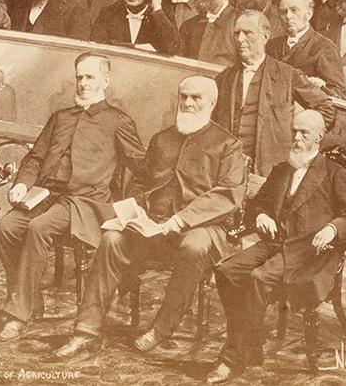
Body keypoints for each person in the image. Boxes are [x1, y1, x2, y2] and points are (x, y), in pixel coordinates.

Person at [56, 75, 247, 357]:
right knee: (111, 239)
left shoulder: (228, 145)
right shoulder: (162, 139)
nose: (188, 103)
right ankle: (86, 329)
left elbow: (229, 194)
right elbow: (140, 182)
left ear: (212, 103)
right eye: (184, 97)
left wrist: (181, 220)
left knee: (194, 246)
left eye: (196, 98)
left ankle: (161, 329)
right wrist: (133, 210)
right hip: (152, 227)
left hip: (201, 228)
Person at [0, 52, 145, 342]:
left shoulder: (117, 121)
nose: (83, 83)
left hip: (84, 201)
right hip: (45, 196)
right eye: (79, 77)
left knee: (38, 227)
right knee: (4, 229)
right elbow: (35, 158)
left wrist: (130, 204)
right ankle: (31, 299)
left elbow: (142, 167)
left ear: (106, 81)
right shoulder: (61, 117)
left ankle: (17, 315)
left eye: (90, 77)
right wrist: (22, 183)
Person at [210, 109, 346, 381]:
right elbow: (257, 203)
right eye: (294, 131)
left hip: (310, 252)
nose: (297, 137)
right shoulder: (282, 170)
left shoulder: (333, 172)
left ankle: (233, 357)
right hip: (276, 244)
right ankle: (251, 341)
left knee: (257, 278)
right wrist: (261, 215)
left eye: (304, 133)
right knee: (226, 271)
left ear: (318, 137)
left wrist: (331, 229)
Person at [213, 9, 335, 171]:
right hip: (227, 167)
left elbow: (326, 107)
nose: (240, 39)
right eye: (237, 33)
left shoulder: (288, 75)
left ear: (265, 36)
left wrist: (302, 139)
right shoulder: (224, 78)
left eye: (247, 33)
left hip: (269, 169)